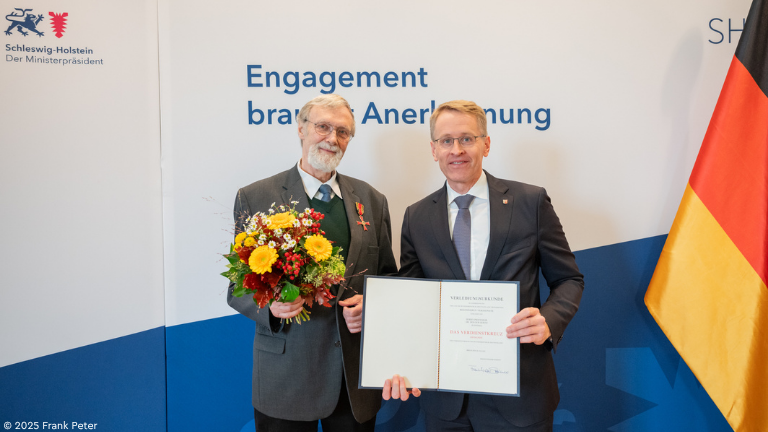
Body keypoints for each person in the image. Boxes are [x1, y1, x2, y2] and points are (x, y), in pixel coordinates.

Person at [383, 100, 584, 431]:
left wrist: (548, 320)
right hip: (445, 400)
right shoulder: (416, 216)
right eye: (446, 141)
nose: (457, 149)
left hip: (520, 394)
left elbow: (569, 279)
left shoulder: (530, 202)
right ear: (433, 150)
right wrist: (397, 358)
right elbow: (412, 301)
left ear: (486, 144)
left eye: (467, 138)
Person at [227, 94, 398, 432]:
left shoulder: (373, 201)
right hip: (285, 375)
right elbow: (237, 287)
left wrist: (374, 305)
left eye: (343, 132)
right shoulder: (256, 196)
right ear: (301, 129)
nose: (332, 139)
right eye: (323, 127)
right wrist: (271, 308)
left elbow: (390, 279)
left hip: (354, 380)